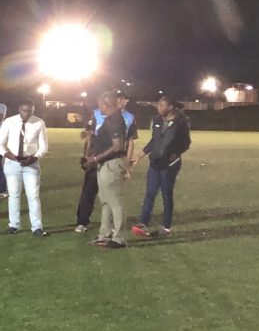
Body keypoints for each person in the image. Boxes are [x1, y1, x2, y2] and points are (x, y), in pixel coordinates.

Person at [131, 96, 192, 238]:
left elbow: (186, 142)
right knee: (150, 192)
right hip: (155, 162)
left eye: (162, 105)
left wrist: (176, 154)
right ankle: (143, 223)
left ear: (170, 107)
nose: (158, 107)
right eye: (158, 104)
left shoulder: (181, 122)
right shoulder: (157, 120)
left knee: (166, 194)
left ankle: (166, 226)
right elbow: (154, 141)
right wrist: (140, 155)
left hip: (169, 165)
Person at [75, 92, 136, 232]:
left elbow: (126, 143)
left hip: (111, 161)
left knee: (113, 198)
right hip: (97, 159)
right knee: (94, 193)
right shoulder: (99, 114)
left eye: (125, 99)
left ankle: (117, 233)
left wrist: (126, 165)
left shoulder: (126, 118)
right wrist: (88, 157)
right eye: (121, 99)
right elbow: (90, 137)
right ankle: (85, 222)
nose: (123, 102)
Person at [0, 100, 48, 235]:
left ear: (33, 111)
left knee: (33, 196)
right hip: (12, 163)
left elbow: (43, 145)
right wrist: (7, 154)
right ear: (19, 109)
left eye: (30, 111)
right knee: (13, 195)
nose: (26, 113)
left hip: (31, 163)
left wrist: (34, 158)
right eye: (24, 110)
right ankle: (14, 225)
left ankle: (37, 227)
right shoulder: (9, 122)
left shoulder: (38, 123)